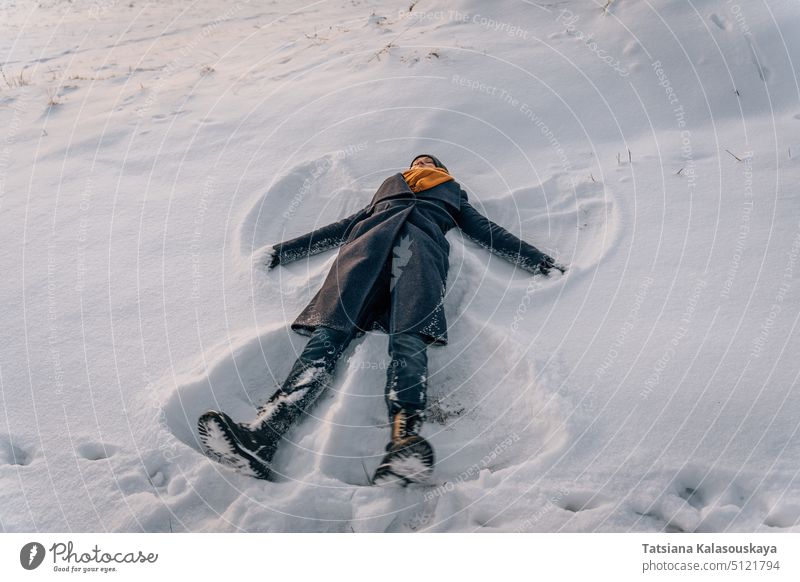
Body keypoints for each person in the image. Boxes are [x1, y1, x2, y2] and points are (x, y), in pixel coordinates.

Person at [198, 154, 566, 485]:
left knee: (409, 338)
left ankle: (405, 439)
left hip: (419, 254)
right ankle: (263, 434)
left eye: (430, 163)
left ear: (441, 170)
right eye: (418, 161)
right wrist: (282, 251)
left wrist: (538, 261)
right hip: (363, 254)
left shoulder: (453, 194)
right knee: (327, 338)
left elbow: (487, 231)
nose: (422, 164)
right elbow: (340, 227)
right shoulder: (389, 186)